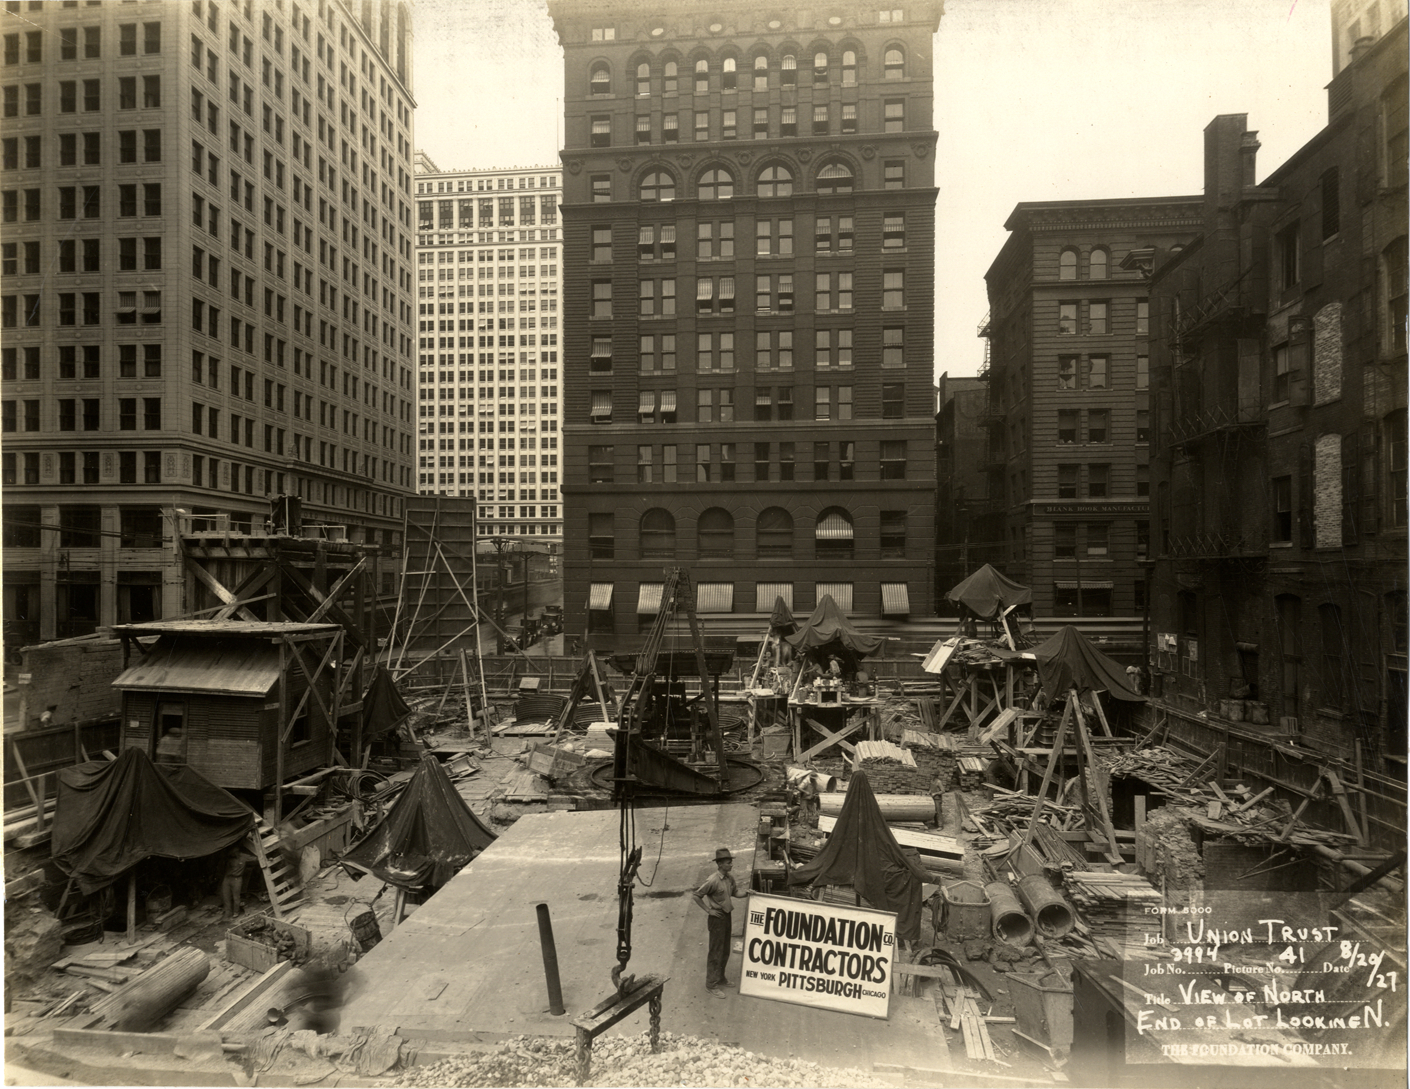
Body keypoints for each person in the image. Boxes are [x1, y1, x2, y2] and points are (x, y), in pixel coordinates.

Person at [691, 847, 747, 997]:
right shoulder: (713, 880)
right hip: (716, 919)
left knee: (725, 950)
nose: (731, 865)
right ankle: (711, 984)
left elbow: (736, 893)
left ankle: (721, 978)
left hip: (727, 916)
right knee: (715, 952)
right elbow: (697, 896)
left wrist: (747, 893)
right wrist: (709, 910)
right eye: (728, 863)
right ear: (720, 864)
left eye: (730, 862)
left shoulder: (729, 878)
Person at [220, 843, 255, 920]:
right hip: (227, 878)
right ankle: (228, 912)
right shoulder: (228, 858)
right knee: (226, 896)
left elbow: (255, 858)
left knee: (236, 897)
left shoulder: (243, 856)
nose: (232, 853)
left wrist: (268, 858)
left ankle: (236, 912)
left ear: (237, 851)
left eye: (234, 852)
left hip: (237, 879)